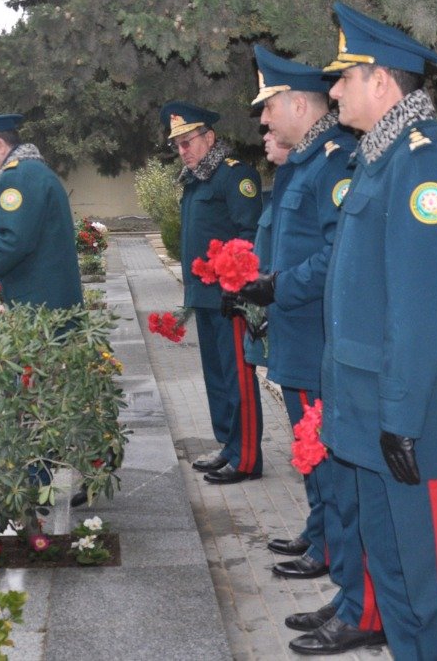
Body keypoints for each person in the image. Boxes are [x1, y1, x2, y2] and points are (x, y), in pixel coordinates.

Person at [321, 2, 437, 661]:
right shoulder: (380, 160)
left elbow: (420, 310)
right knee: (392, 579)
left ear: (382, 82)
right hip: (372, 416)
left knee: (435, 589)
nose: (333, 92)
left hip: (416, 426)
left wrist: (400, 418)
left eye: (344, 78)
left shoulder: (424, 165)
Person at [237, 45, 385, 654]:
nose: (264, 122)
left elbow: (334, 260)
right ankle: (347, 591)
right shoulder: (307, 163)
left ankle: (357, 601)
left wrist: (278, 287)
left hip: (323, 339)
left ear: (298, 103)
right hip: (303, 340)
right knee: (324, 474)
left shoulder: (335, 162)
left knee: (341, 481)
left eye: (269, 109)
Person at [162, 101, 263, 485]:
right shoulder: (196, 180)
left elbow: (248, 235)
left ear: (210, 138)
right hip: (203, 297)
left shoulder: (233, 177)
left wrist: (236, 287)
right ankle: (230, 446)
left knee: (238, 376)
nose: (183, 150)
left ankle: (248, 457)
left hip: (228, 297)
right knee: (217, 376)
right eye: (178, 145)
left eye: (188, 142)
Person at [0, 111, 82, 309]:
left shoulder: (17, 176)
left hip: (40, 304)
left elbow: (13, 242)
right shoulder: (32, 171)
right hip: (51, 297)